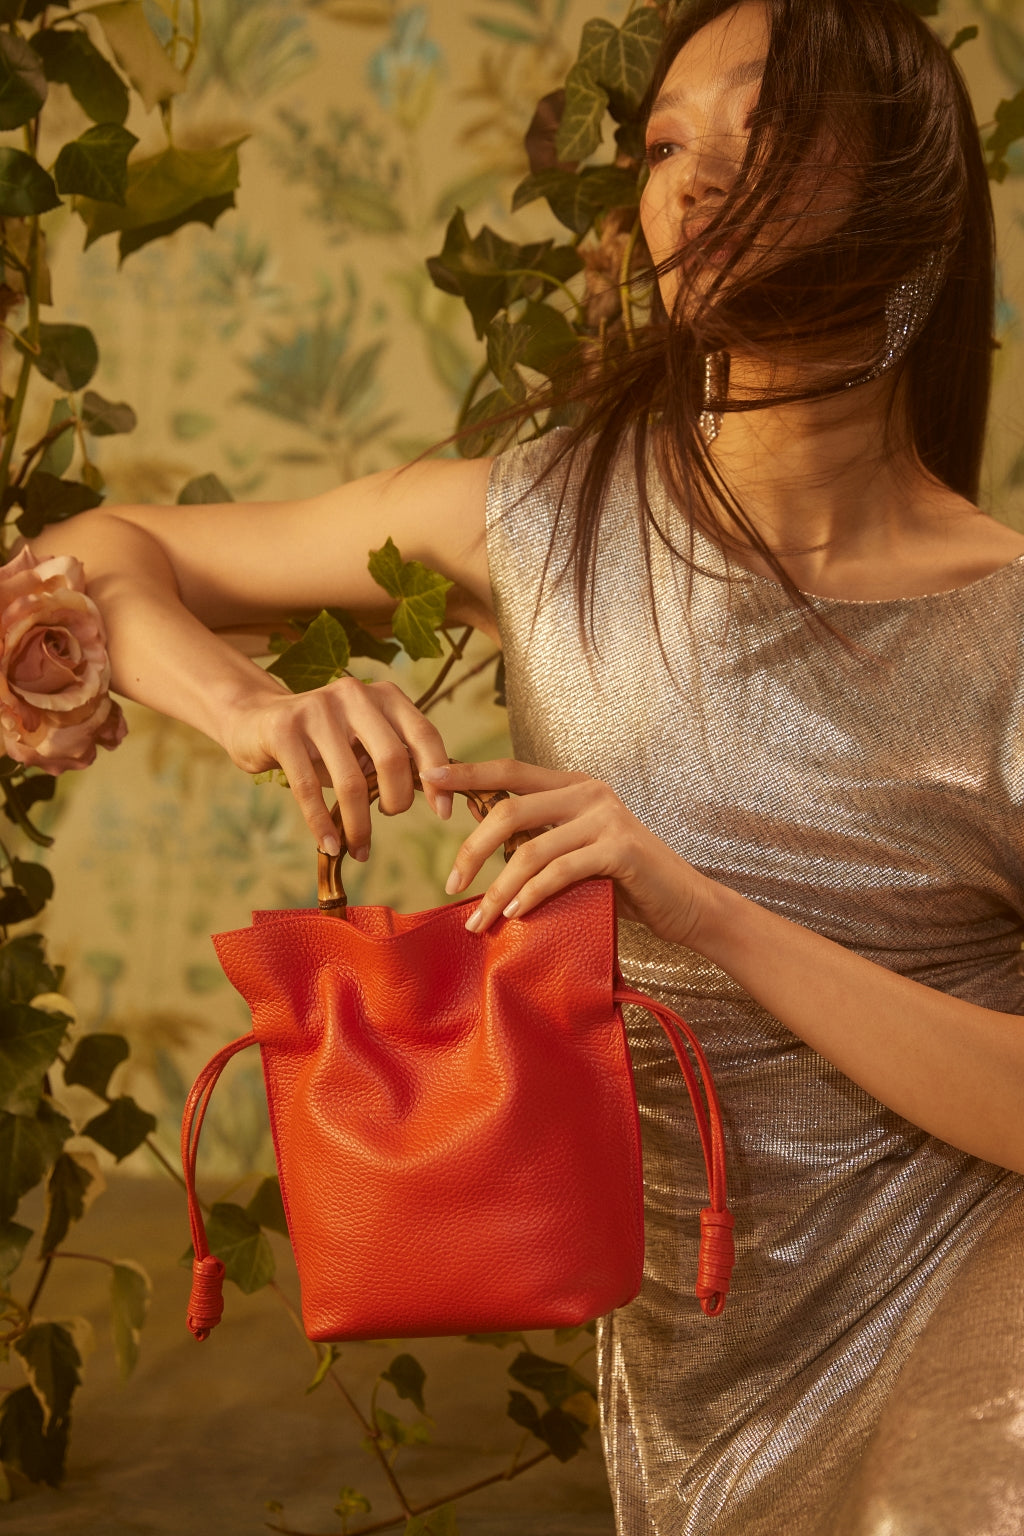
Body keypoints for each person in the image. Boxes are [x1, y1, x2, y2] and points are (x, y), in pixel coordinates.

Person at [33, 0, 1024, 1531]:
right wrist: (251, 711)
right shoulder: (541, 523)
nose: (688, 182)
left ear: (908, 186)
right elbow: (89, 563)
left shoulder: (1008, 622)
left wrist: (705, 910)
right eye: (664, 144)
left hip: (979, 1285)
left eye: (755, 132)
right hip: (701, 1344)